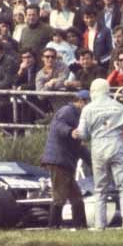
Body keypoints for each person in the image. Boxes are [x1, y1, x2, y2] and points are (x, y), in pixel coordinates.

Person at [73, 78, 123, 229]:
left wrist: (88, 135)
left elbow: (83, 134)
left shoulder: (87, 109)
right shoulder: (120, 107)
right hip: (117, 146)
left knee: (100, 188)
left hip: (98, 148)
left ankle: (100, 224)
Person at [40, 90, 90, 229]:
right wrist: (70, 132)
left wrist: (93, 162)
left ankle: (80, 226)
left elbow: (80, 147)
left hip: (64, 162)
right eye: (88, 103)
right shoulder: (67, 111)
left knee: (76, 197)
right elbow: (58, 126)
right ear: (81, 101)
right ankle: (54, 227)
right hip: (59, 160)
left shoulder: (79, 116)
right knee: (60, 196)